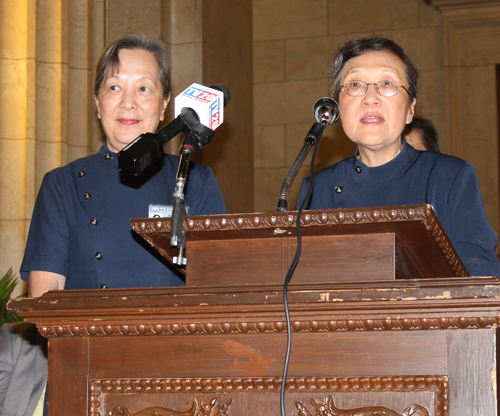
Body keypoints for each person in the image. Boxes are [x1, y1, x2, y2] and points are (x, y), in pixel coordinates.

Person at [20, 32, 227, 297]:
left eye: (144, 88)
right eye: (114, 87)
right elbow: (44, 299)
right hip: (89, 337)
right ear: (97, 103)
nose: (128, 103)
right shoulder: (61, 185)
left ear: (164, 104)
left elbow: (220, 287)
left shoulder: (197, 180)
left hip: (177, 337)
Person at [297, 36, 500, 277]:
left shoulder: (450, 177)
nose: (370, 97)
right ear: (339, 108)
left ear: (410, 110)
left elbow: (478, 278)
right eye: (355, 85)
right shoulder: (318, 188)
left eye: (386, 83)